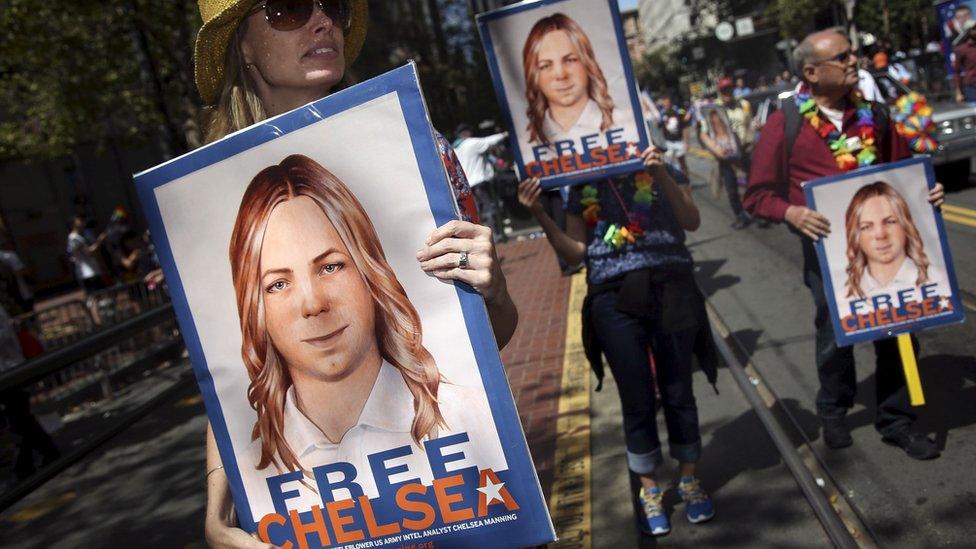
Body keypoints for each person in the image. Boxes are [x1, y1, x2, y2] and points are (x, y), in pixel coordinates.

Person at [191, 1, 518, 546]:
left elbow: (490, 341)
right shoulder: (205, 194)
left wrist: (496, 290)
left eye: (333, 6)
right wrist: (215, 515)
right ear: (241, 44)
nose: (322, 21)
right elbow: (227, 374)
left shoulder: (418, 153)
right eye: (288, 8)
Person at [227, 154, 503, 507]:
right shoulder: (256, 469)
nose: (313, 304)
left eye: (330, 266)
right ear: (255, 308)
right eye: (278, 284)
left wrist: (495, 292)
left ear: (369, 272)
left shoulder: (466, 414)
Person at [743, 29, 945, 460]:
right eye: (844, 56)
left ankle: (898, 419)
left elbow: (904, 171)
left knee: (896, 328)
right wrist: (791, 213)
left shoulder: (874, 114)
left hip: (888, 246)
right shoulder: (787, 123)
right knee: (836, 333)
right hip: (827, 253)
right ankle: (833, 410)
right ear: (812, 72)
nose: (855, 61)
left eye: (853, 54)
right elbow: (757, 195)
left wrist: (928, 194)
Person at [518, 147, 716, 536]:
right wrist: (540, 212)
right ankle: (649, 489)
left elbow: (690, 220)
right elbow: (576, 252)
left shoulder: (666, 167)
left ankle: (689, 478)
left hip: (671, 285)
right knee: (636, 395)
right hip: (612, 297)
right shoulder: (582, 186)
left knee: (679, 388)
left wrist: (659, 174)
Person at [522, 12, 636, 148]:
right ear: (534, 75)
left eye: (570, 60)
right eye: (545, 66)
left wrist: (656, 168)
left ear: (587, 63)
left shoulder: (626, 123)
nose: (560, 74)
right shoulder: (528, 143)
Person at [839, 181, 947, 308]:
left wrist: (932, 190)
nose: (880, 235)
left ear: (905, 225)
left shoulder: (937, 279)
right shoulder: (845, 298)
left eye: (890, 222)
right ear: (855, 236)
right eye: (867, 226)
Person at [698, 92, 751, 229]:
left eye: (729, 89)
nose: (728, 93)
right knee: (731, 189)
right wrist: (715, 149)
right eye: (724, 90)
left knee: (747, 186)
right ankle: (740, 215)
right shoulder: (715, 109)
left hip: (742, 154)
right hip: (724, 161)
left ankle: (756, 212)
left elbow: (749, 125)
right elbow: (703, 134)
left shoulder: (742, 106)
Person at [453, 123, 508, 239]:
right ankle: (495, 236)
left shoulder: (455, 148)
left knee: (476, 212)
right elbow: (488, 141)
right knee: (489, 209)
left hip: (467, 186)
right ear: (466, 133)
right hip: (479, 182)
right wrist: (504, 134)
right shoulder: (471, 143)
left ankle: (479, 237)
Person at [66, 216, 108, 294]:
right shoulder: (74, 238)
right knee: (97, 294)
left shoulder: (78, 237)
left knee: (99, 294)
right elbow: (89, 251)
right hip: (88, 272)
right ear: (73, 225)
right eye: (78, 221)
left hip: (90, 270)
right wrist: (99, 241)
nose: (81, 222)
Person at [658, 96, 691, 176]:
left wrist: (686, 142)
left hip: (679, 141)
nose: (666, 105)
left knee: (682, 162)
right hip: (669, 142)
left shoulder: (678, 111)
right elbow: (658, 127)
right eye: (664, 104)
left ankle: (686, 181)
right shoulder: (662, 114)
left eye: (668, 103)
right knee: (669, 164)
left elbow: (685, 124)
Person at [954, 22, 976, 103]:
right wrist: (958, 92)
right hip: (972, 87)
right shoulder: (961, 49)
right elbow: (957, 72)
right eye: (974, 29)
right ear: (968, 31)